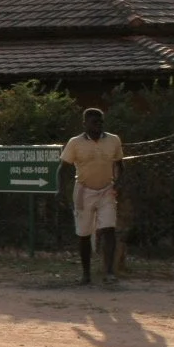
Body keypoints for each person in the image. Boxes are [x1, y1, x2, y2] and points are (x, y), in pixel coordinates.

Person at [60, 107, 124, 285]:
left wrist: (118, 184)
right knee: (84, 233)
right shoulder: (75, 142)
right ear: (85, 124)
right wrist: (64, 194)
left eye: (100, 122)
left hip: (106, 189)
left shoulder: (113, 140)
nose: (98, 126)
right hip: (83, 190)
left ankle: (109, 272)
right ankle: (86, 273)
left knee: (109, 228)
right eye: (94, 122)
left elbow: (120, 164)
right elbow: (62, 170)